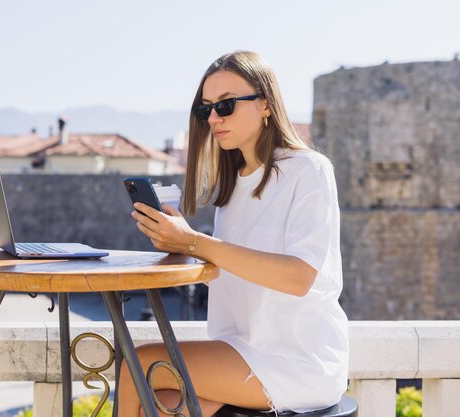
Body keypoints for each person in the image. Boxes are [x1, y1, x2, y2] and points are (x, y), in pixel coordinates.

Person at [120, 51, 349, 416]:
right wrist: (177, 242)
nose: (213, 118)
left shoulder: (308, 170)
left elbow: (298, 277)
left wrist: (195, 241)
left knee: (138, 365)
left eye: (225, 105)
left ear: (266, 105)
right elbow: (234, 271)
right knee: (161, 406)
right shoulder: (232, 190)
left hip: (298, 360)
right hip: (240, 349)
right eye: (205, 109)